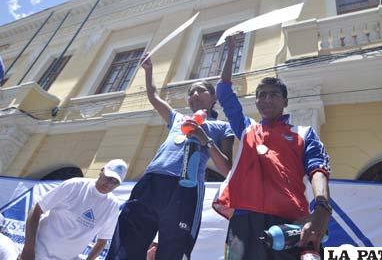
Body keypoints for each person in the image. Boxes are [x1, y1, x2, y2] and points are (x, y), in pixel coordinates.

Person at [213, 34, 332, 260]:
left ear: (285, 101)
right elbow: (224, 92)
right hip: (244, 219)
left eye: (274, 94)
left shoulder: (304, 133)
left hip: (289, 220)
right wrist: (231, 52)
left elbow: (318, 171)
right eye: (262, 95)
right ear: (256, 101)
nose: (267, 99)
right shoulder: (247, 129)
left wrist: (322, 207)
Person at [105, 57, 234, 260]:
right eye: (191, 93)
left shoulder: (222, 127)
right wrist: (149, 70)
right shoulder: (177, 118)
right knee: (128, 241)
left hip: (185, 188)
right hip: (152, 181)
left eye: (201, 90)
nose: (195, 94)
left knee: (173, 250)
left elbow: (227, 169)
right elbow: (154, 96)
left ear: (213, 98)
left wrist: (205, 139)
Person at [20, 159, 128, 260]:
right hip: (37, 253)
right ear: (102, 171)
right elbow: (37, 209)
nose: (109, 184)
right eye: (108, 178)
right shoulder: (74, 185)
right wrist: (28, 247)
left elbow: (102, 241)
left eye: (115, 182)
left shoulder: (112, 206)